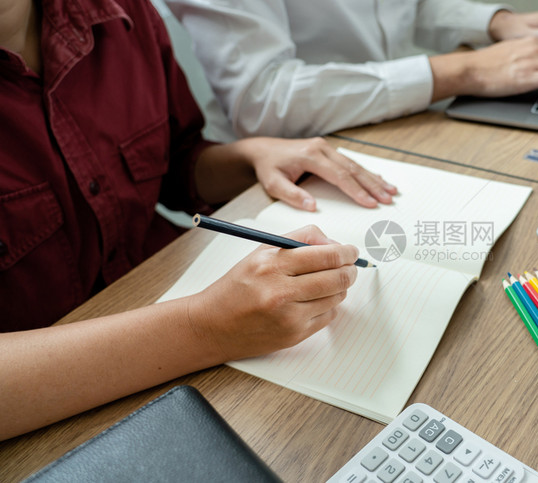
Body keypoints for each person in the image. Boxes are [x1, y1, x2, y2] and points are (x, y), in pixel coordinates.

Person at [0, 0, 397, 440]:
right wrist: (203, 326)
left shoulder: (121, 12)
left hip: (188, 314)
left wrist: (250, 157)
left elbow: (177, 164)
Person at [166, 0, 538, 138]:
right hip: (285, 159)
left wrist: (495, 23)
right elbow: (262, 98)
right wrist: (464, 71)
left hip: (394, 125)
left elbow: (406, 7)